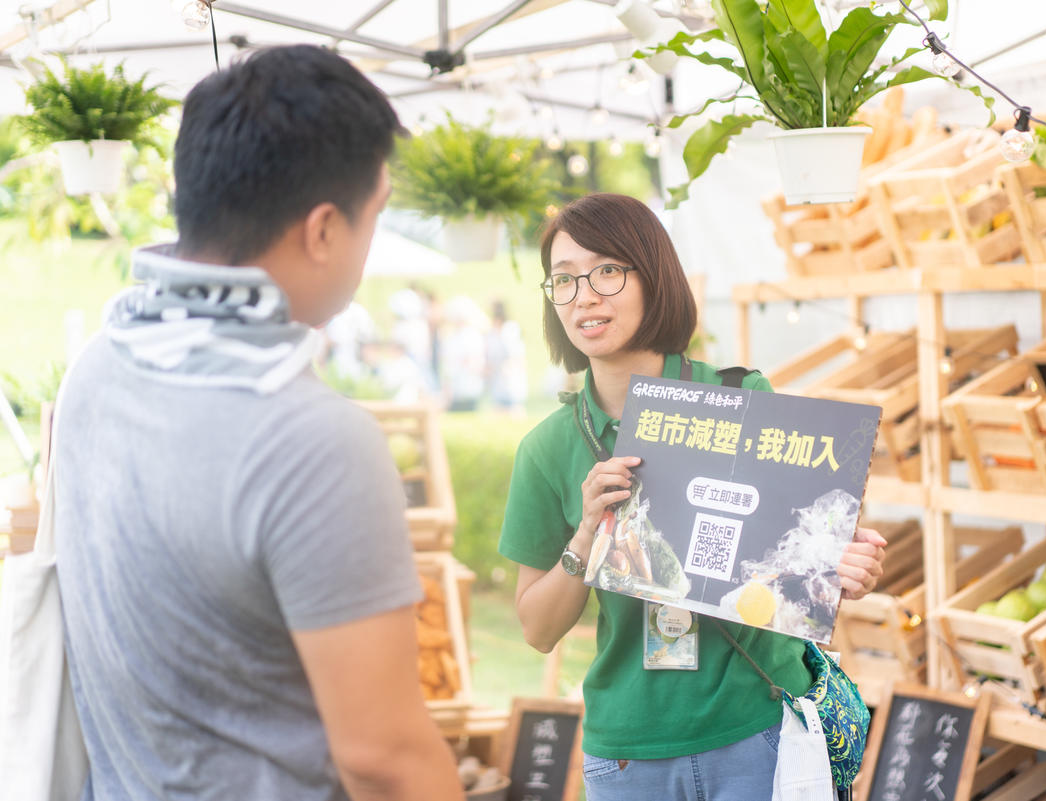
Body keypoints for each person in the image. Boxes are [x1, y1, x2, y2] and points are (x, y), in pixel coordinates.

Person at [52, 46, 463, 801]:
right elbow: (384, 757)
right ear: (323, 231)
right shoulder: (312, 439)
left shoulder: (99, 365)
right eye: (375, 216)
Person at [498, 193, 886, 800]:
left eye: (606, 271)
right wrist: (585, 538)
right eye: (565, 280)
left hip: (756, 729)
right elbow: (537, 629)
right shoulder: (547, 449)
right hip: (629, 756)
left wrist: (843, 565)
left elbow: (801, 553)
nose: (584, 296)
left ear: (653, 277)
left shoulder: (742, 396)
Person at [485, 299, 528, 414]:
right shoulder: (492, 333)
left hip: (510, 377)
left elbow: (515, 354)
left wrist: (508, 366)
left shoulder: (510, 329)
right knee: (498, 407)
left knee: (514, 407)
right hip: (497, 379)